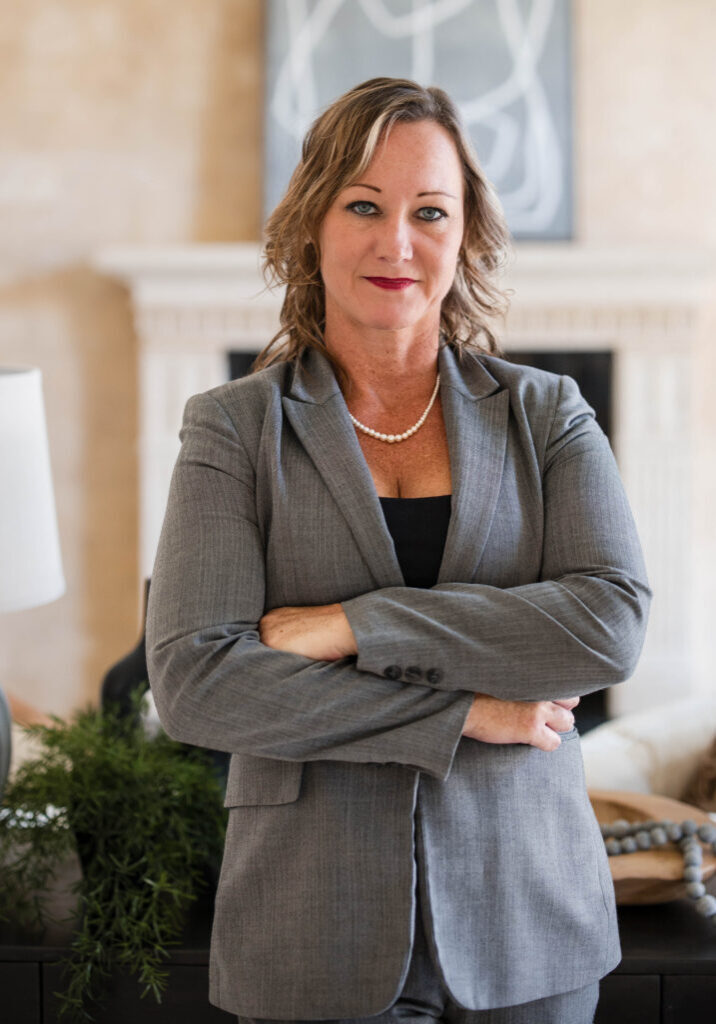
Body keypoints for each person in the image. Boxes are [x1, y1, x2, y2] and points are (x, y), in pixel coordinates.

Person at [146, 77, 651, 1024]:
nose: (397, 242)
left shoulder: (548, 415)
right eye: (364, 206)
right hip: (311, 928)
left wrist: (353, 624)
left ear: (467, 236)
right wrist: (464, 714)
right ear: (311, 225)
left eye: (430, 211)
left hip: (530, 920)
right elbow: (196, 682)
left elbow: (608, 627)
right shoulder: (232, 430)